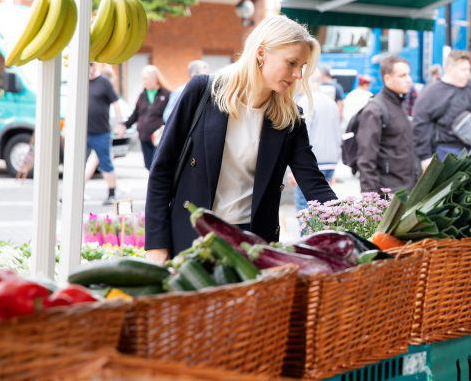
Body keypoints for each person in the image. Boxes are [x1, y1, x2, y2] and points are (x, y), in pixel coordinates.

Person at [143, 15, 337, 261]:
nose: (298, 74)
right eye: (291, 63)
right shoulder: (203, 91)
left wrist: (356, 225)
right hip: (192, 239)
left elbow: (314, 183)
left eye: (303, 66)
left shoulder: (290, 118)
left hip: (253, 245)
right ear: (261, 53)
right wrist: (157, 246)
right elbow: (161, 170)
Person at [413, 50, 471, 171]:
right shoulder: (431, 92)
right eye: (463, 70)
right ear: (450, 69)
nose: (467, 73)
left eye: (468, 69)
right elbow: (420, 124)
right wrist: (425, 156)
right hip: (447, 155)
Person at [357, 55, 417, 193]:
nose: (409, 80)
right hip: (387, 196)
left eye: (408, 74)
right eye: (403, 75)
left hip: (407, 190)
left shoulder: (400, 105)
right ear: (387, 79)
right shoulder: (375, 110)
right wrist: (371, 203)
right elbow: (366, 162)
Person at [289, 70, 340, 213]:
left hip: (311, 164)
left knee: (305, 210)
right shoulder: (331, 102)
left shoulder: (306, 102)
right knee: (324, 210)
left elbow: (303, 137)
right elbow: (337, 133)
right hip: (330, 160)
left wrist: (292, 169)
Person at [115, 65, 171, 171]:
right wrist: (125, 126)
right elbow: (136, 113)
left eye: (146, 79)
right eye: (143, 79)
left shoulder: (167, 94)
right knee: (149, 165)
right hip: (144, 137)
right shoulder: (143, 95)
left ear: (156, 79)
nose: (144, 82)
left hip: (159, 137)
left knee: (157, 165)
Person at [85, 62, 123, 204]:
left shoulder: (104, 82)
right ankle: (75, 192)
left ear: (93, 66)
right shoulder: (82, 82)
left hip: (101, 132)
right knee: (78, 163)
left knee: (105, 163)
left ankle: (112, 193)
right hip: (83, 132)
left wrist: (119, 123)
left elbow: (115, 103)